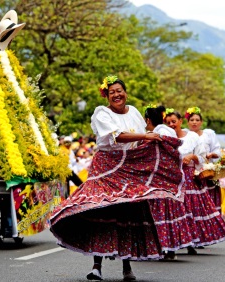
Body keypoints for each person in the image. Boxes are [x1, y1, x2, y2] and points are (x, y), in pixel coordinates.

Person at [50, 76, 185, 281]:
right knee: (100, 209)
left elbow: (140, 140)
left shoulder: (134, 112)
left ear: (126, 93)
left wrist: (156, 147)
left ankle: (127, 266)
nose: (116, 94)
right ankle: (96, 266)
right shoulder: (101, 112)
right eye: (112, 91)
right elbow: (117, 135)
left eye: (119, 90)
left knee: (127, 213)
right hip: (105, 168)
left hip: (128, 168)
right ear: (107, 95)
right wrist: (146, 136)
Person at [165, 109, 225, 254]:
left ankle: (191, 242)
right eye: (168, 122)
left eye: (174, 122)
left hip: (189, 177)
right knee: (175, 211)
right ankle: (175, 244)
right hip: (172, 178)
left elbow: (201, 158)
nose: (171, 125)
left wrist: (192, 157)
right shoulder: (165, 137)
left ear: (180, 121)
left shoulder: (192, 137)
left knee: (190, 210)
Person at [145, 104, 194, 260]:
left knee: (160, 213)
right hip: (171, 178)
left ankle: (163, 248)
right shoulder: (167, 131)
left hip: (160, 179)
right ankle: (170, 248)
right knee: (170, 212)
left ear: (147, 120)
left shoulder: (157, 133)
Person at [185, 107, 223, 212]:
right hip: (192, 174)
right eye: (192, 120)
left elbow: (217, 151)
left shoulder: (208, 134)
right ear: (187, 122)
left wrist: (211, 155)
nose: (194, 122)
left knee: (210, 200)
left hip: (207, 172)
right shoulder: (185, 135)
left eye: (197, 120)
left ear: (201, 122)